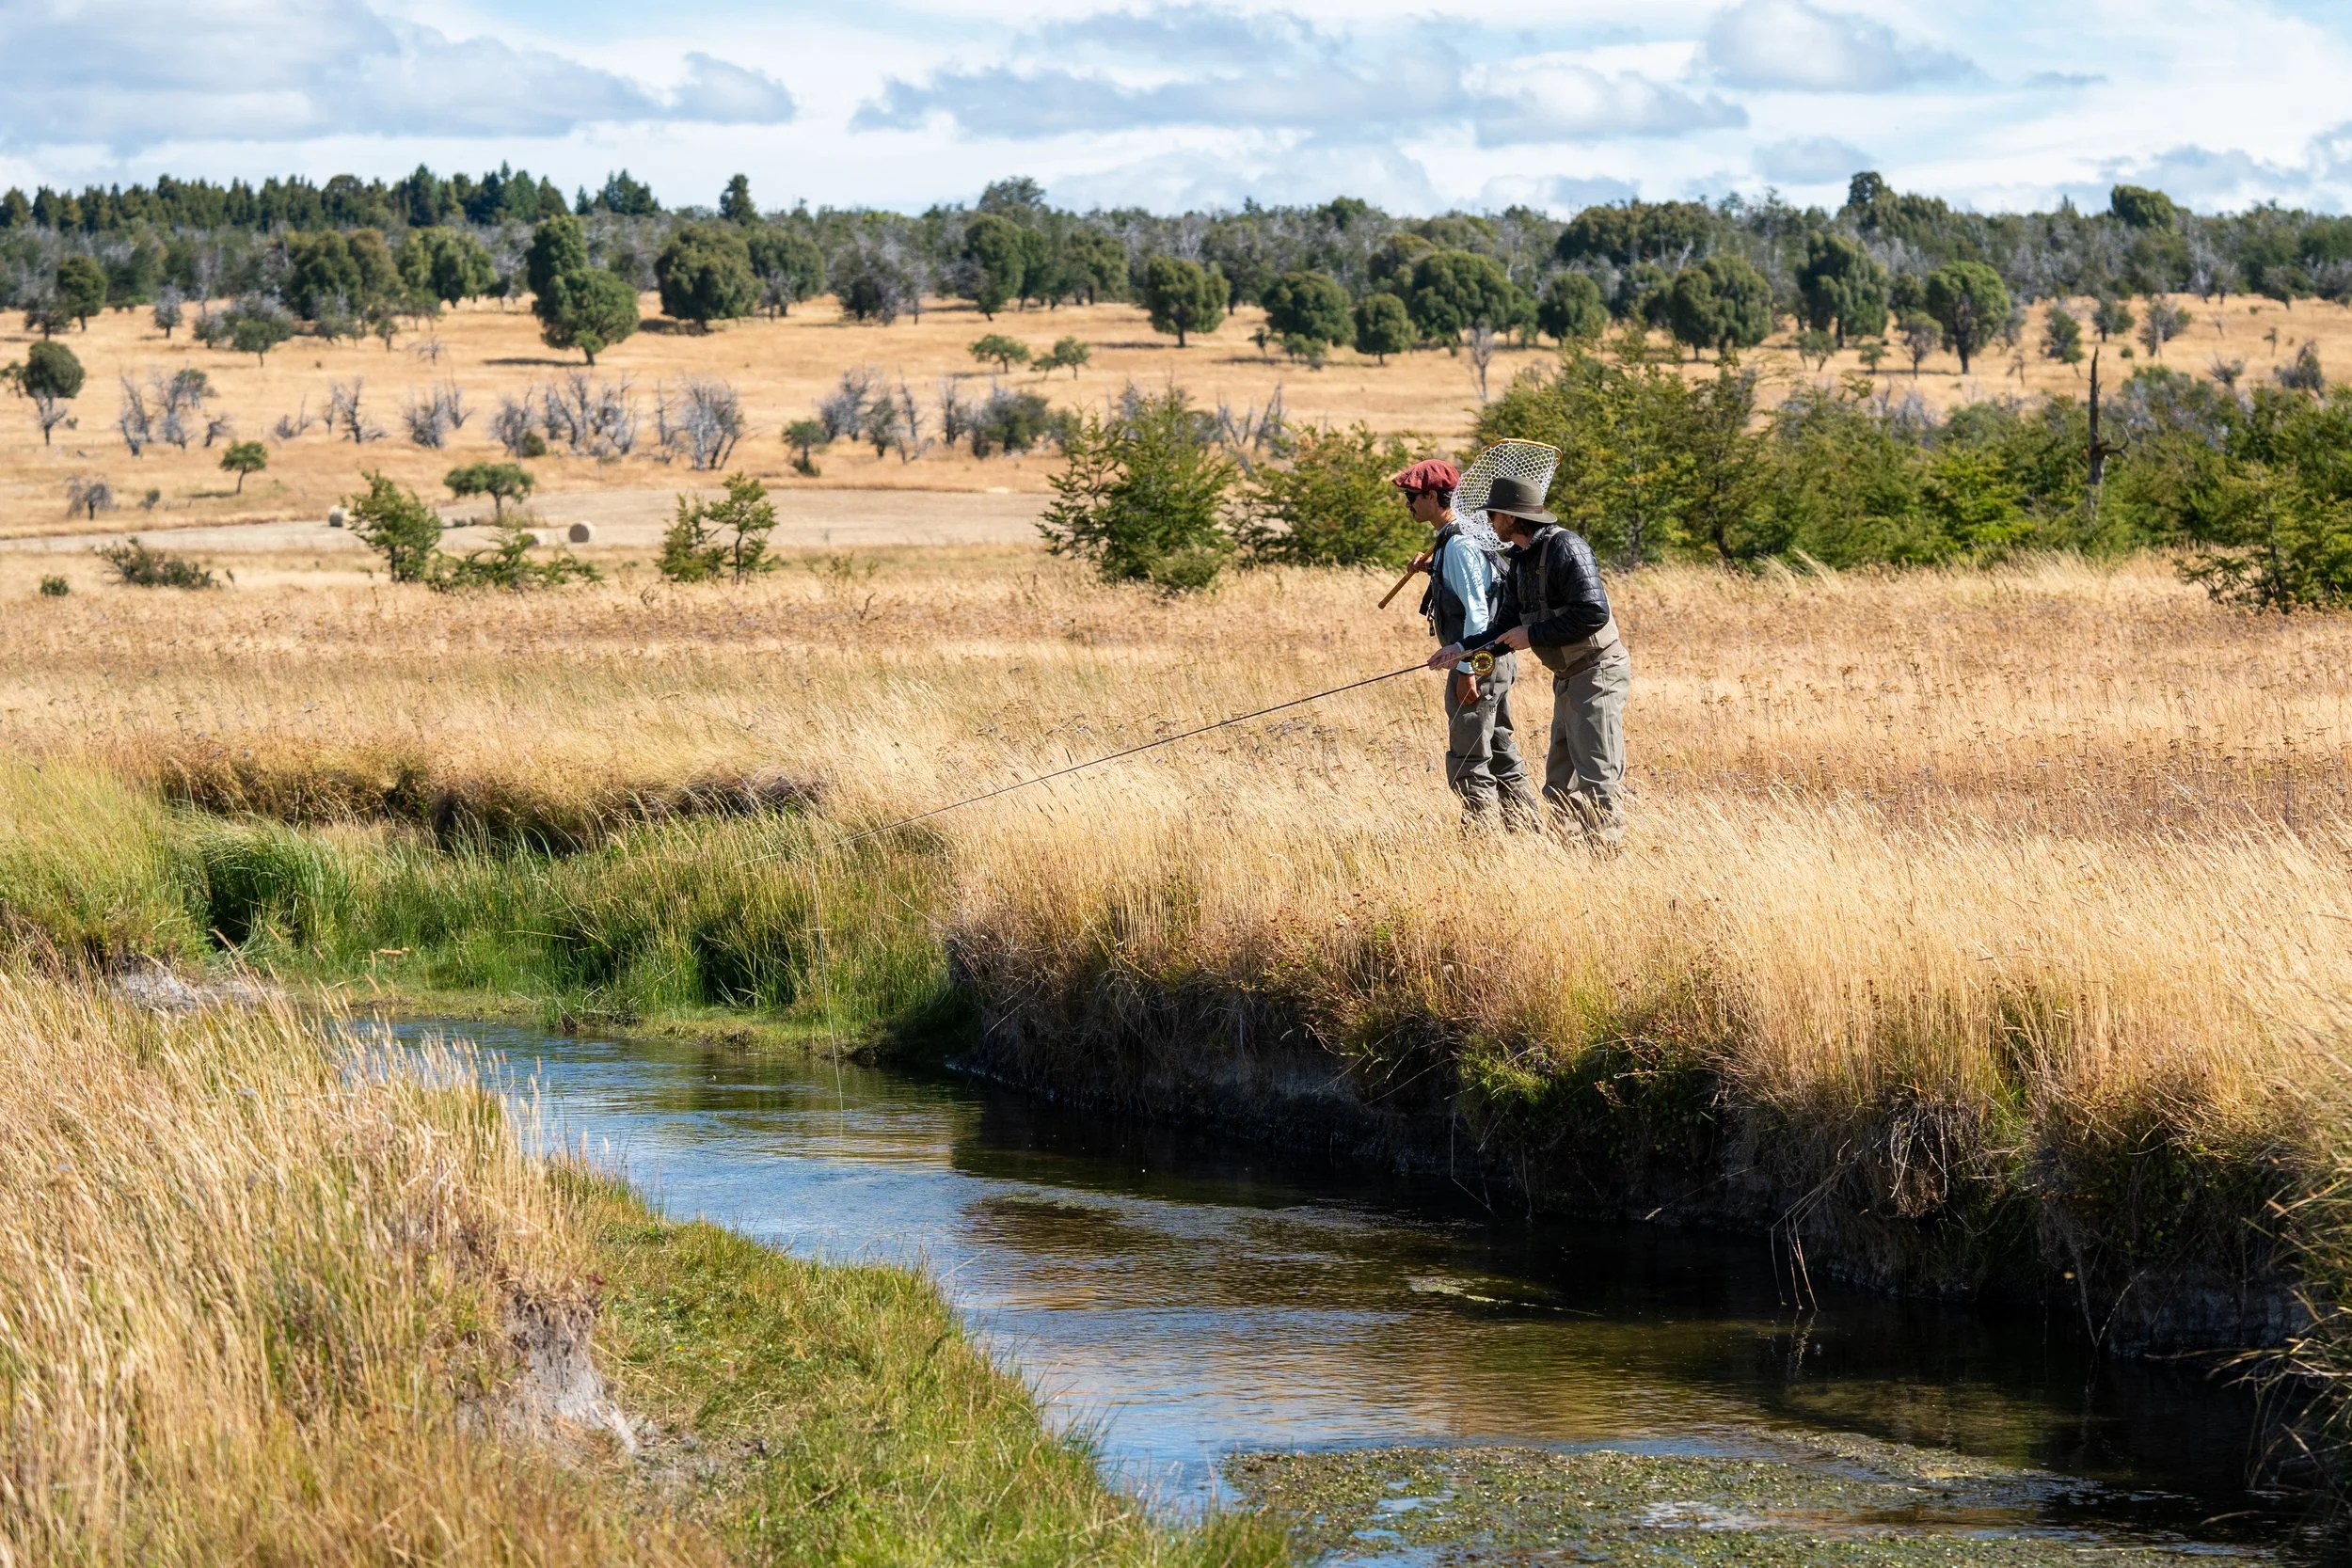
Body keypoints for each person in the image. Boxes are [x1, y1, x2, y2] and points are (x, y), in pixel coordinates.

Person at [1427, 474, 1629, 847]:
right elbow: (1504, 625)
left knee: (1597, 774)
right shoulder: (1520, 559)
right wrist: (1464, 649)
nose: (1489, 521)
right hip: (1568, 673)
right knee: (1559, 779)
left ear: (1510, 517)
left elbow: (1592, 614)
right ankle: (1572, 858)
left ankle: (1608, 859)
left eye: (1493, 515)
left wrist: (1531, 636)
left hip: (1597, 669)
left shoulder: (1568, 548)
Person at [1391, 458, 1538, 831]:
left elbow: (1478, 615)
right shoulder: (1464, 538)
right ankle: (1528, 829)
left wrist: (1466, 670)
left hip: (1479, 660)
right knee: (1500, 746)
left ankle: (1481, 843)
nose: (1407, 504)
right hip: (1495, 657)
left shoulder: (1457, 545)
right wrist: (1430, 567)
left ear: (1430, 495)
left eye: (1411, 496)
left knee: (1469, 754)